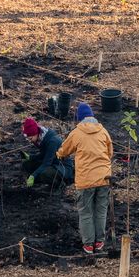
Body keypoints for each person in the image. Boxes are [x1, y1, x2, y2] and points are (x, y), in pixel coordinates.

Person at [56, 102, 113, 254]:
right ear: (92, 116)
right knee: (101, 211)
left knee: (86, 212)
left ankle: (88, 244)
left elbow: (64, 150)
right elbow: (110, 152)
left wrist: (58, 154)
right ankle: (99, 242)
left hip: (86, 180)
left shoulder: (76, 133)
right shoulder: (103, 131)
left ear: (79, 118)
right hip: (104, 177)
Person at [21, 117, 74, 188]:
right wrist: (30, 157)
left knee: (44, 174)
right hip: (52, 162)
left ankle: (59, 185)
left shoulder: (52, 141)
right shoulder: (40, 138)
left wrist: (33, 175)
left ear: (35, 133)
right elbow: (44, 154)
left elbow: (47, 163)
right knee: (27, 164)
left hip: (62, 167)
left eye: (30, 138)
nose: (29, 140)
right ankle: (39, 179)